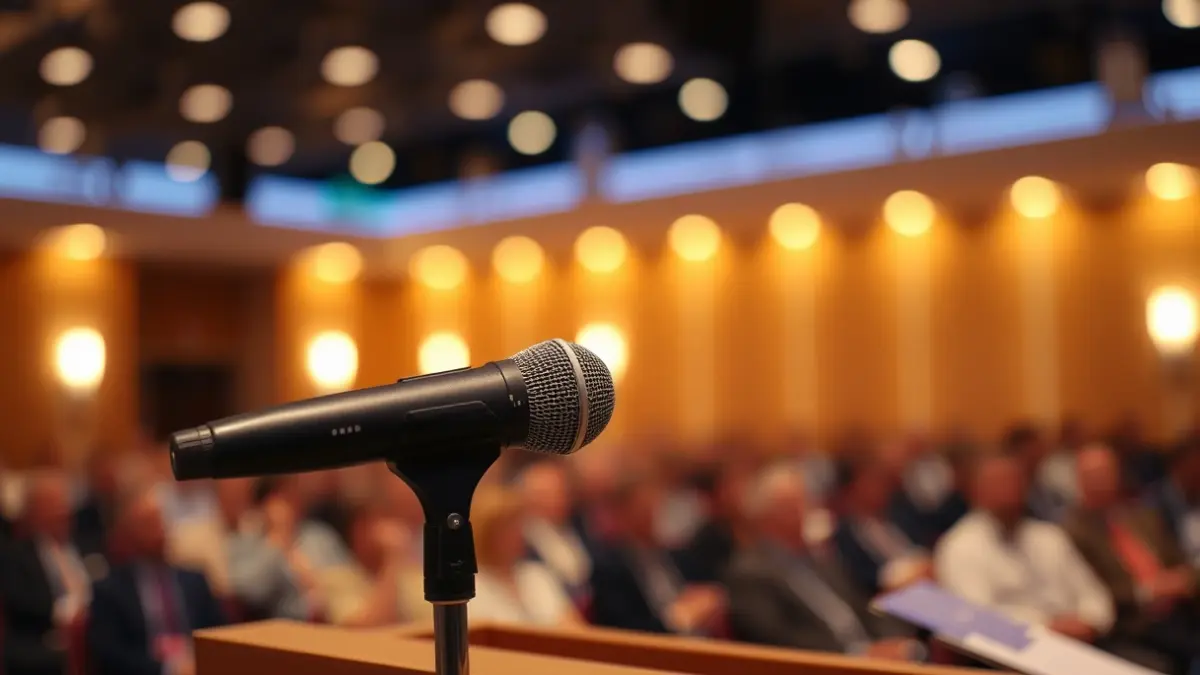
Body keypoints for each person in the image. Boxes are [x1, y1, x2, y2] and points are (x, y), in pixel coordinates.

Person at [725, 465, 922, 659]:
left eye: (803, 501)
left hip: (867, 654)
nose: (801, 511)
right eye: (789, 506)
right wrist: (857, 654)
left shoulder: (820, 559)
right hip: (822, 664)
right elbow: (776, 639)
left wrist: (892, 639)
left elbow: (860, 607)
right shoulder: (749, 573)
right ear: (763, 515)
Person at [935, 452, 1114, 642]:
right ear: (976, 491)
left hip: (1083, 642)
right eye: (998, 483)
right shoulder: (960, 546)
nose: (1009, 490)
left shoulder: (1050, 537)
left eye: (1014, 481)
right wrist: (1046, 626)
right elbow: (979, 617)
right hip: (1013, 649)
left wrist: (1088, 623)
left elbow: (1095, 596)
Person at [1063, 443, 1200, 674]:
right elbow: (1093, 591)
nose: (1101, 481)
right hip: (1132, 622)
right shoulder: (1074, 531)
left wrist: (1181, 580)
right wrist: (1148, 591)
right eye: (1093, 475)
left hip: (1181, 606)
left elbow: (1179, 560)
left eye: (1106, 473)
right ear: (1079, 480)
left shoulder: (1141, 515)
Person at [88, 485, 227, 675]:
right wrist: (168, 669)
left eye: (160, 522)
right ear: (129, 533)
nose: (159, 532)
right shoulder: (110, 591)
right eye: (148, 524)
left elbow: (220, 634)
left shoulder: (195, 580)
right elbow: (110, 655)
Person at [588, 471, 726, 635]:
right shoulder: (609, 569)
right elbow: (624, 631)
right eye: (644, 507)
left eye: (656, 504)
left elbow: (709, 593)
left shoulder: (676, 556)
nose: (653, 514)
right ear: (624, 512)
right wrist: (678, 618)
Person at [0, 471, 91, 675]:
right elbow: (21, 609)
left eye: (64, 502)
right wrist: (67, 616)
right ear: (31, 512)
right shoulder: (14, 558)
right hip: (44, 641)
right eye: (52, 504)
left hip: (92, 635)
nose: (62, 511)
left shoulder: (87, 545)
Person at [471, 487, 579, 626]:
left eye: (519, 526)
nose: (518, 534)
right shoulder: (472, 587)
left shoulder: (536, 575)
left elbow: (574, 628)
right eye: (506, 528)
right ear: (486, 533)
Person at [832, 452, 933, 597]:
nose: (880, 487)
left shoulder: (900, 514)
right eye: (871, 482)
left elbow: (924, 547)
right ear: (852, 488)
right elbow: (863, 584)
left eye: (881, 481)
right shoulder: (845, 535)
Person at [517, 461, 593, 603]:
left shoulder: (582, 525)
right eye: (545, 495)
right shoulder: (522, 542)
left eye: (560, 492)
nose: (557, 499)